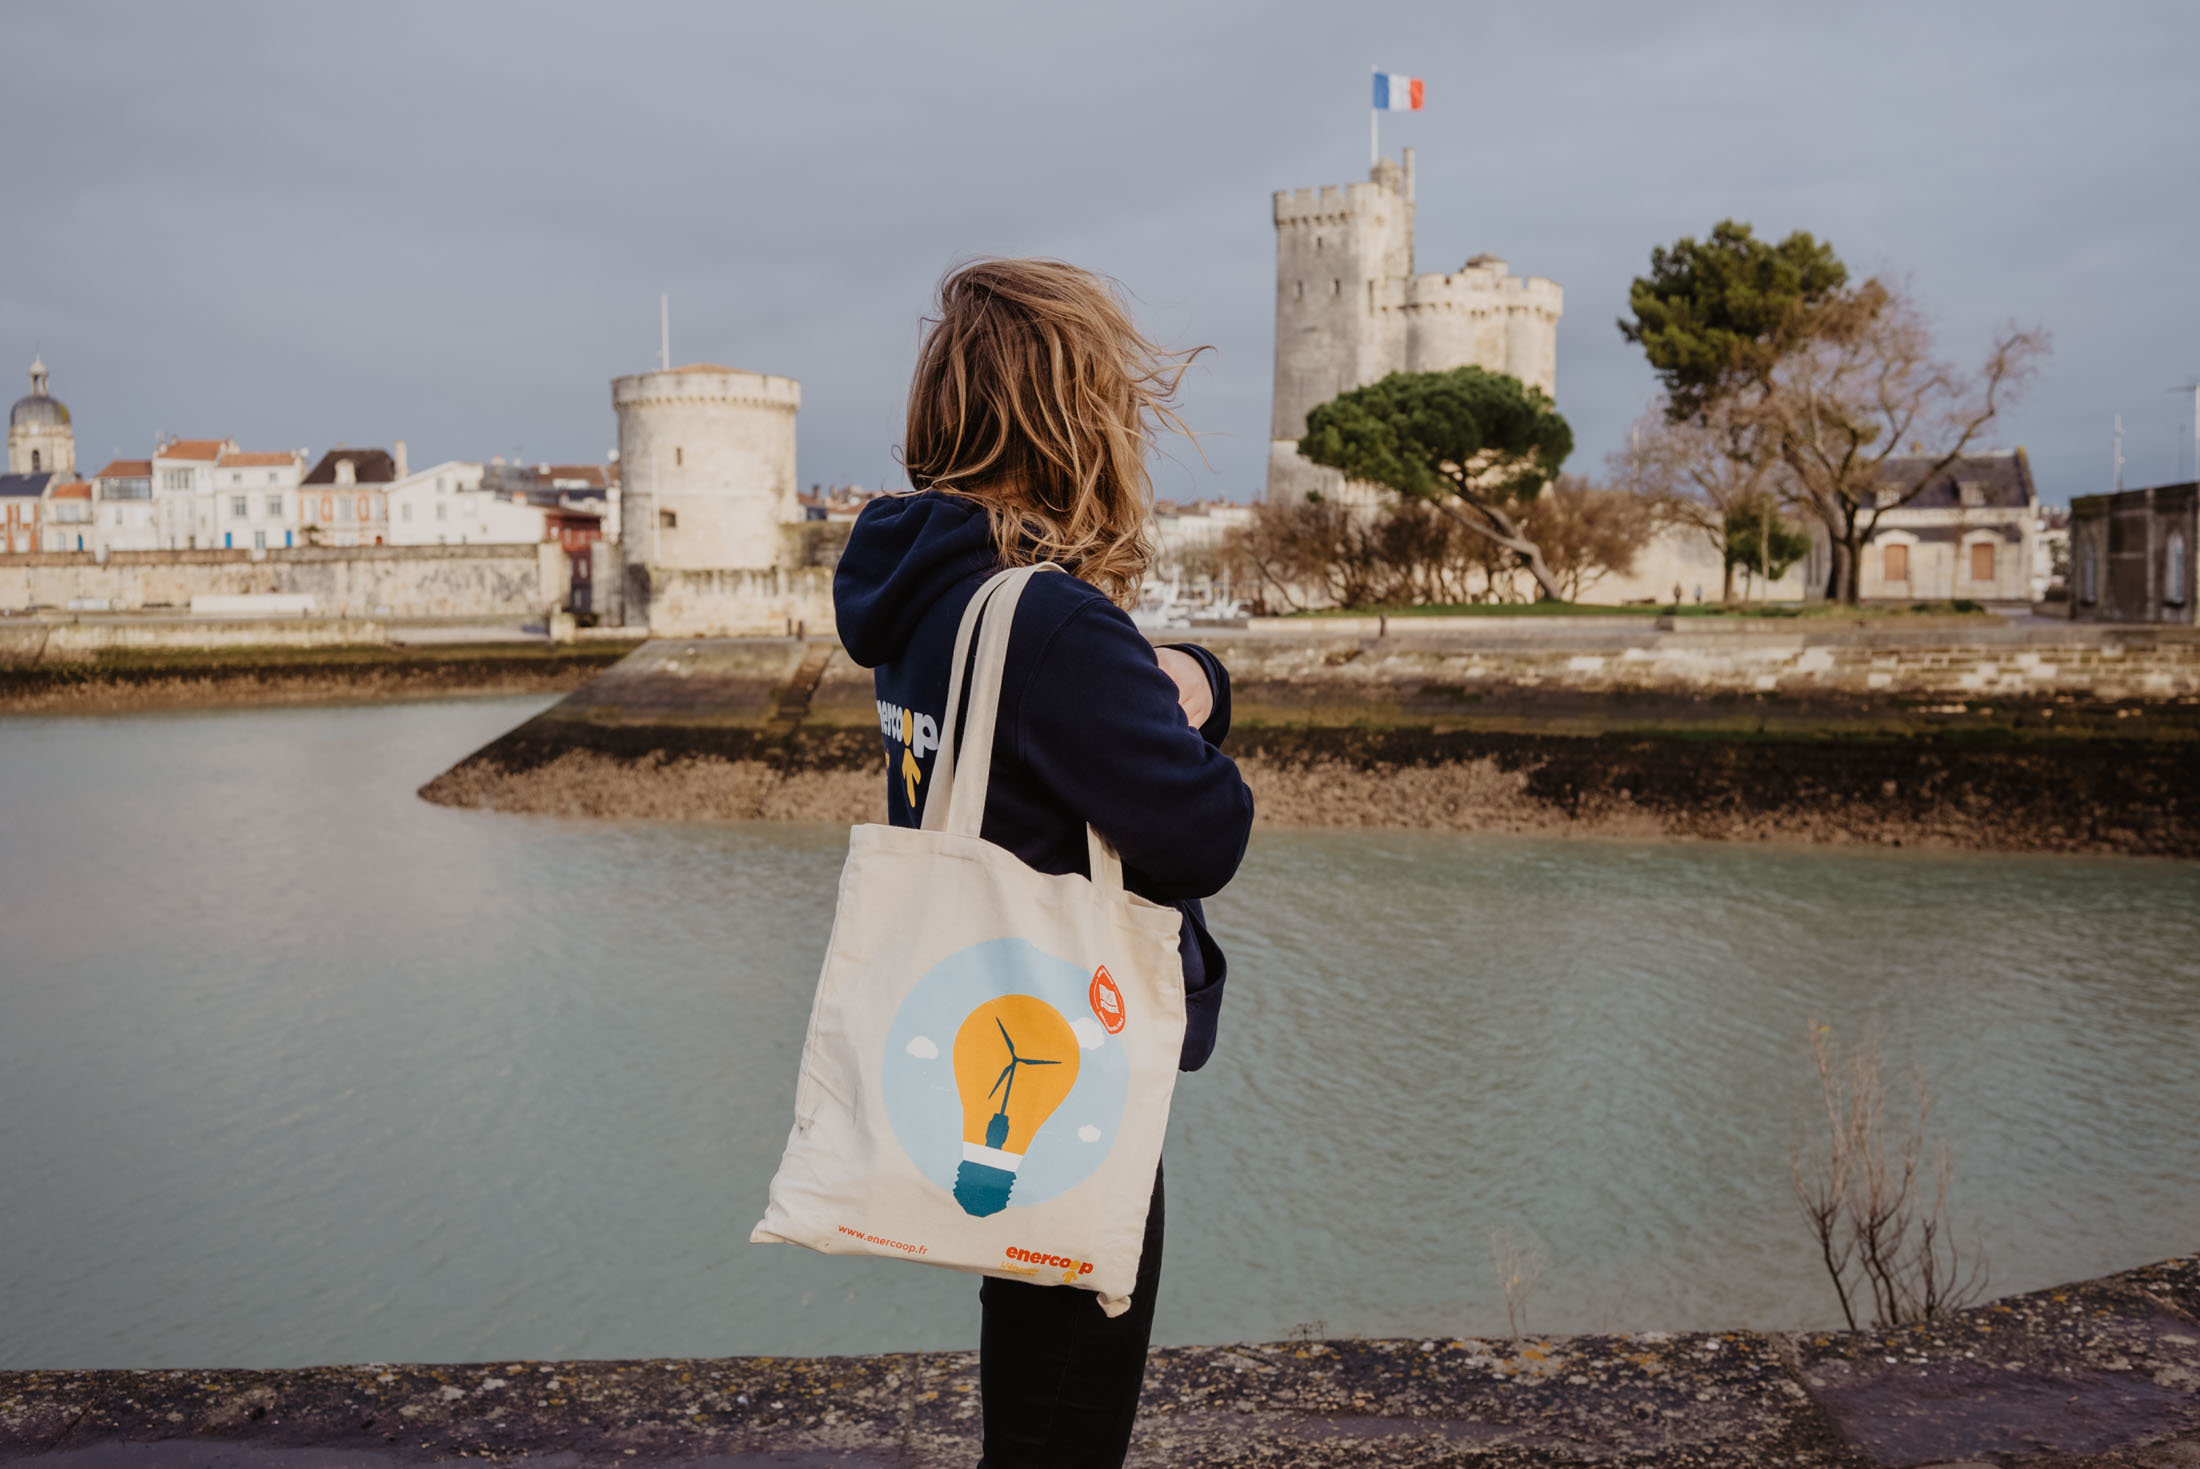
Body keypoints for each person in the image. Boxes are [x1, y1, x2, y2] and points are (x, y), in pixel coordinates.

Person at [833, 258, 1256, 1467]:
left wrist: (1179, 676)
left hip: (972, 1025)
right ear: (1071, 416)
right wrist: (1195, 693)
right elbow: (1203, 831)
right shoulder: (1051, 617)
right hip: (1060, 1060)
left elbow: (1043, 739)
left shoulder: (921, 587)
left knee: (1030, 1391)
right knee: (1061, 1425)